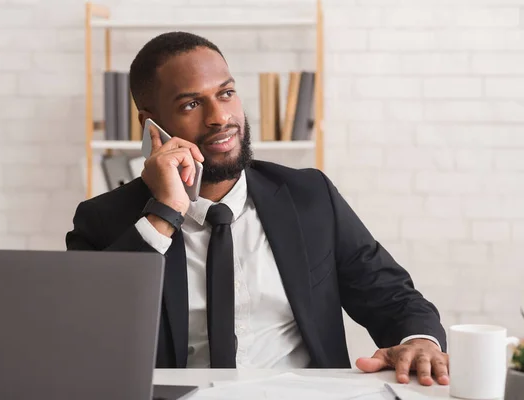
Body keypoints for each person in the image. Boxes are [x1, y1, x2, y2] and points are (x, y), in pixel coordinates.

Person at [66, 31, 449, 386]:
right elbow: (84, 337)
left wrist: (419, 341)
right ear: (151, 125)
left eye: (226, 93)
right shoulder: (104, 221)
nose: (219, 117)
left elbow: (391, 295)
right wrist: (165, 213)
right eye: (192, 103)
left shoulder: (309, 196)